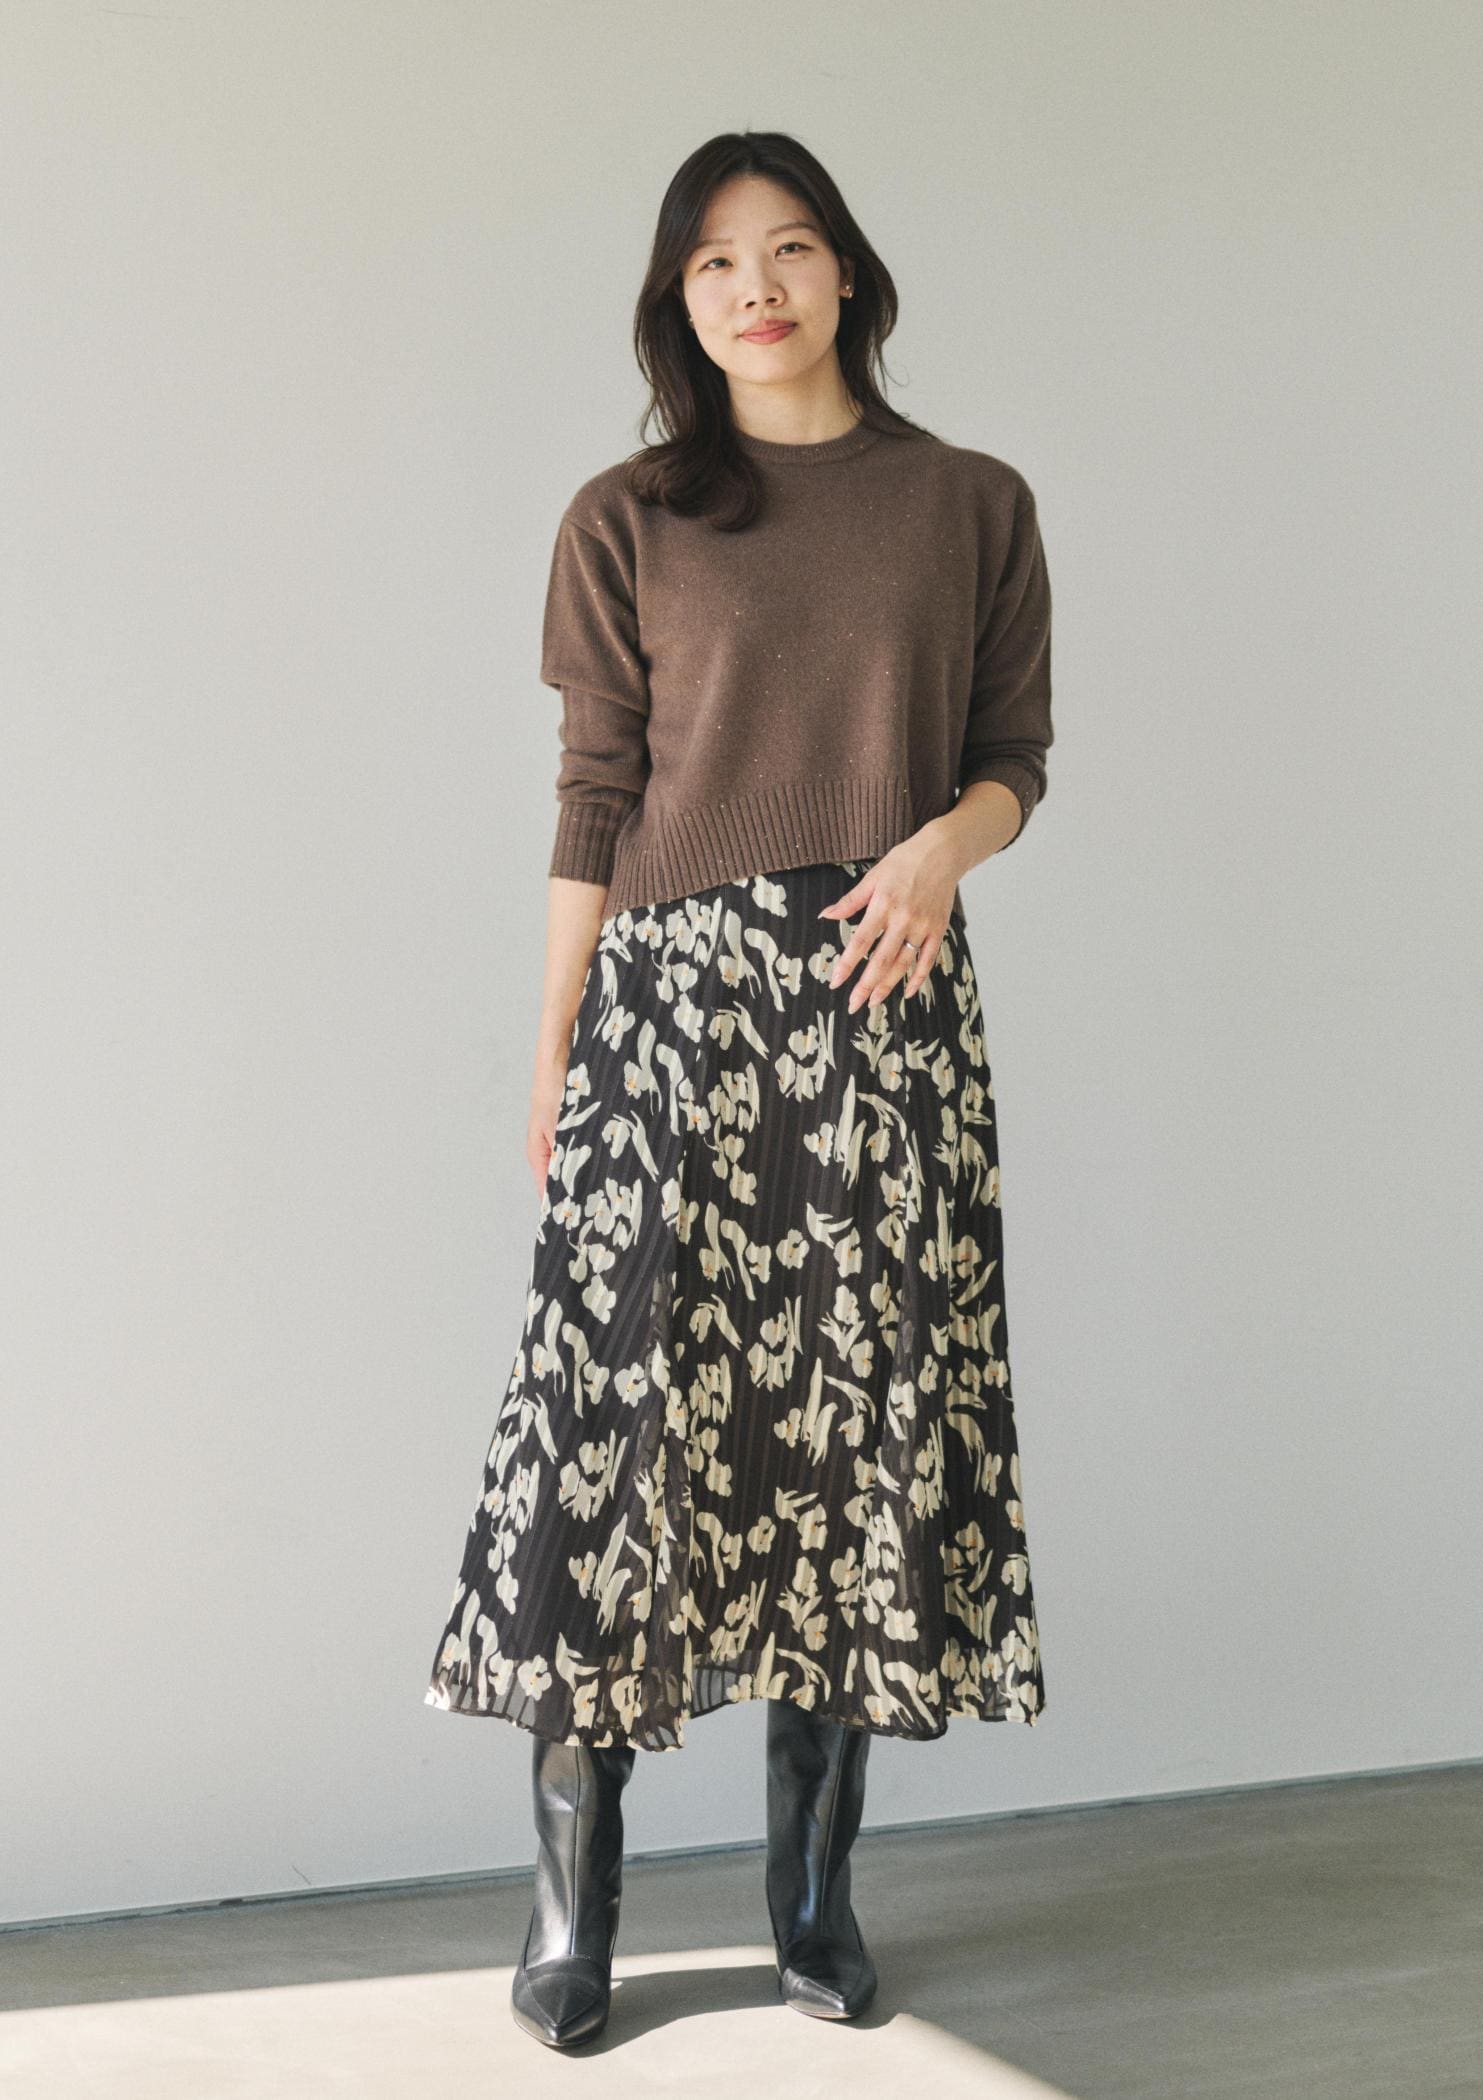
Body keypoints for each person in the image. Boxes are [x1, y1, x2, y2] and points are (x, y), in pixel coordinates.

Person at [424, 128, 1053, 2052]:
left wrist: (943, 851)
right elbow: (595, 796)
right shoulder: (627, 517)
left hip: (880, 1011)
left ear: (846, 270)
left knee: (855, 1443)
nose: (754, 287)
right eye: (713, 262)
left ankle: (811, 1898)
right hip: (669, 1018)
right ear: (677, 301)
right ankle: (574, 1907)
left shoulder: (970, 502)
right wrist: (557, 1042)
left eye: (786, 249)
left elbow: (1014, 754)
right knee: (609, 1446)